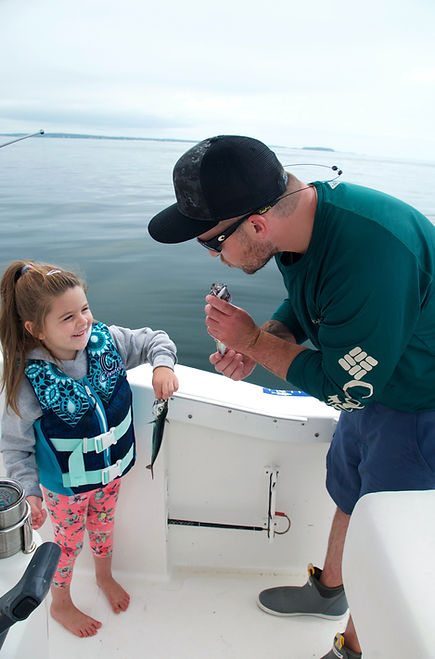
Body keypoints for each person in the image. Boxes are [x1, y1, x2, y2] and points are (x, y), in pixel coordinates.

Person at [147, 135, 435, 658]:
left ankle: (354, 648)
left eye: (212, 244)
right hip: (376, 380)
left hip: (420, 401)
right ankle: (329, 591)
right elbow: (312, 301)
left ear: (256, 226)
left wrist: (256, 343)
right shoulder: (300, 223)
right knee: (351, 490)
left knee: (383, 533)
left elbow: (345, 391)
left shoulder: (372, 254)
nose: (214, 257)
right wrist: (265, 341)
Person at [0, 260, 178, 638]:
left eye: (84, 309)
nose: (82, 321)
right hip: (65, 489)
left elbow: (155, 340)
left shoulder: (108, 340)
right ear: (35, 329)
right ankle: (60, 602)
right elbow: (15, 448)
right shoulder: (28, 382)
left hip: (108, 476)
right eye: (67, 317)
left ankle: (104, 576)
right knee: (67, 543)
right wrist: (31, 493)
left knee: (103, 526)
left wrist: (162, 366)